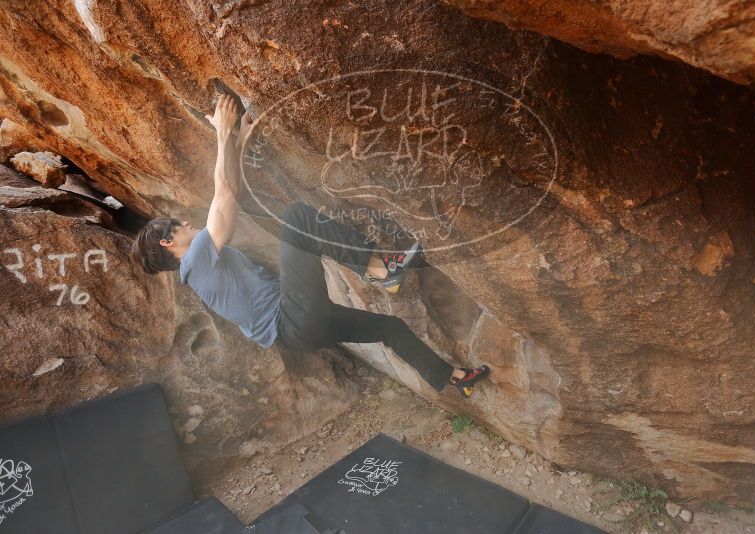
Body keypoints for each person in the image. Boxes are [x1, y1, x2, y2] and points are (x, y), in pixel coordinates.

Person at [130, 95, 490, 397]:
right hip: (292, 318)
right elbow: (222, 193)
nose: (187, 223)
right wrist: (222, 132)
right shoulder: (196, 260)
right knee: (299, 219)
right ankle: (381, 270)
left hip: (301, 332)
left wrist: (237, 142)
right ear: (168, 241)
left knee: (389, 328)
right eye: (179, 226)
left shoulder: (200, 269)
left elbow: (232, 194)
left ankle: (455, 379)